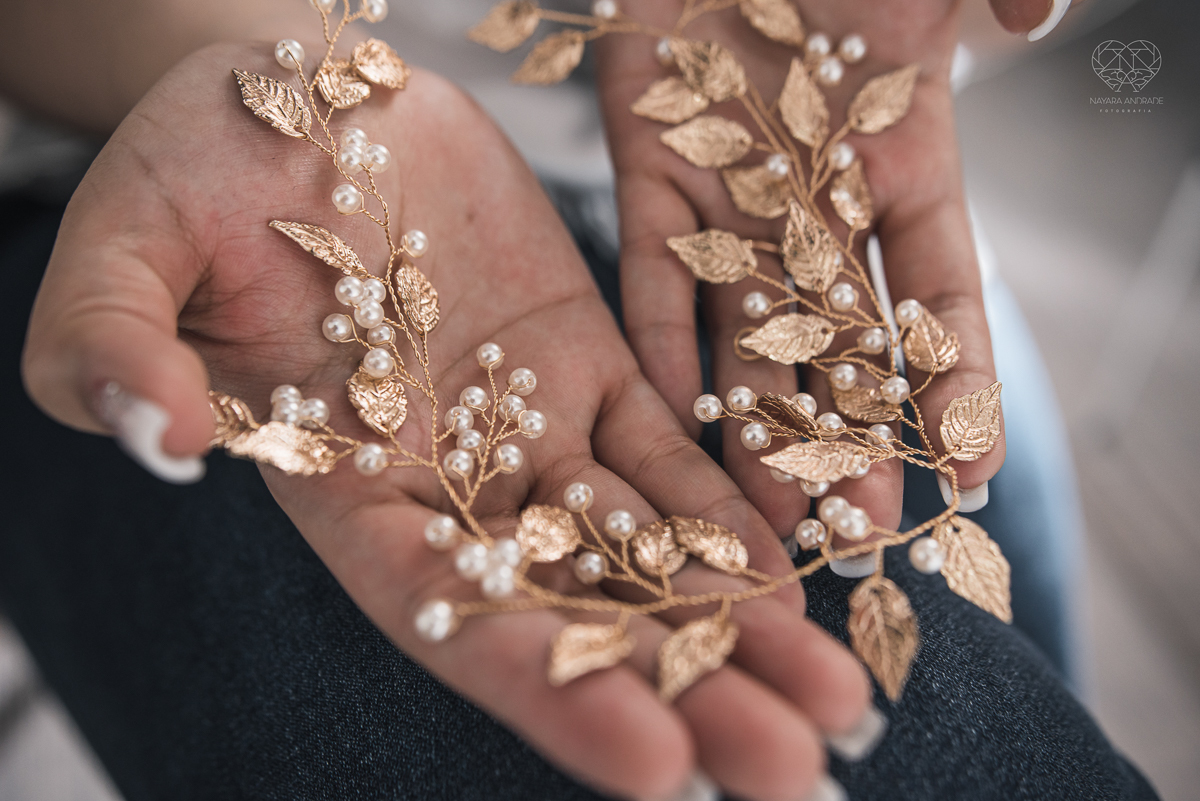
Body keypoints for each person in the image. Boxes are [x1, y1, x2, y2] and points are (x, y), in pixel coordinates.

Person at [0, 0, 1158, 799]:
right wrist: (265, 80)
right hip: (143, 150)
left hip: (780, 198)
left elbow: (1009, 36)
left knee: (1028, 658)